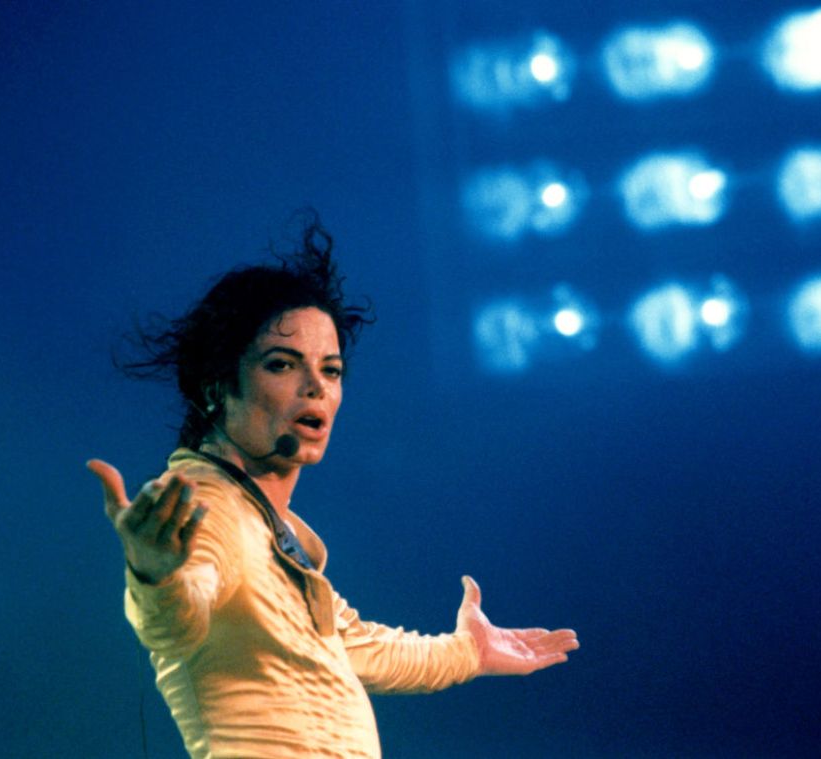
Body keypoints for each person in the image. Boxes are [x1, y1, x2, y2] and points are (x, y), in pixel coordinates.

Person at [88, 214, 579, 758]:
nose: (316, 388)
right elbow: (178, 619)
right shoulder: (209, 504)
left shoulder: (266, 526)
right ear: (215, 388)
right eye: (282, 365)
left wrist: (471, 651)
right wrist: (156, 576)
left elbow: (357, 646)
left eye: (332, 370)